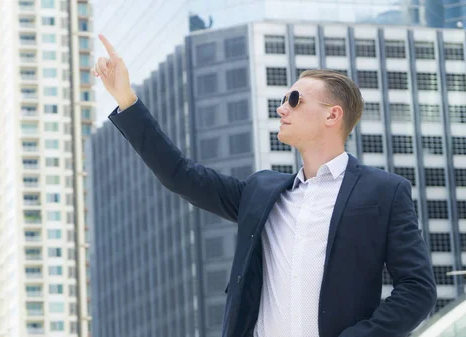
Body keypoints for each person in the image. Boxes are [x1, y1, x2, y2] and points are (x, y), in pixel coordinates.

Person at [92, 34, 436, 337]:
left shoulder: (384, 192)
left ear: (333, 115)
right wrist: (126, 98)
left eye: (295, 100)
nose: (281, 108)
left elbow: (418, 290)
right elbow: (180, 174)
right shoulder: (261, 193)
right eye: (283, 100)